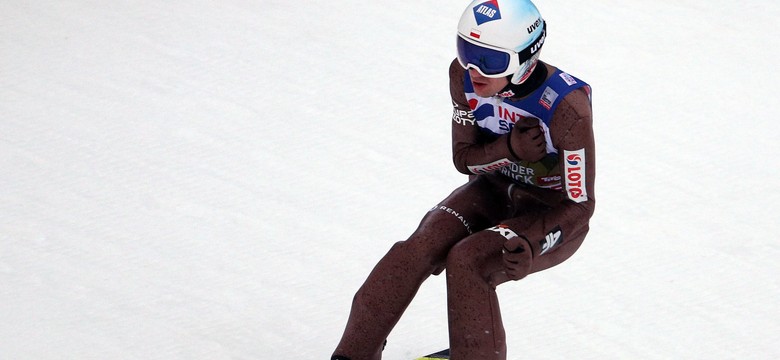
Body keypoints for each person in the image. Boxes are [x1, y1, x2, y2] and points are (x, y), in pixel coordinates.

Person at [331, 0, 594, 359]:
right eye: (466, 51)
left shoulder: (567, 108)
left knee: (469, 260)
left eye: (491, 60)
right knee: (419, 248)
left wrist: (534, 242)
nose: (474, 69)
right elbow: (464, 159)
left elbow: (580, 205)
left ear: (525, 59)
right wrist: (510, 149)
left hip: (549, 214)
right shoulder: (462, 77)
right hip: (493, 189)